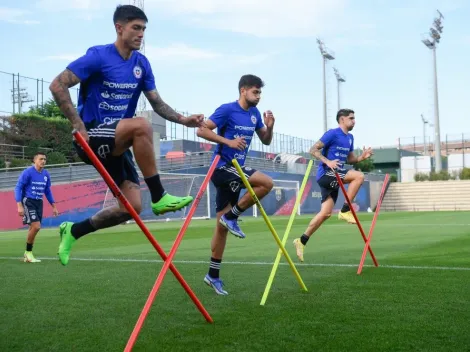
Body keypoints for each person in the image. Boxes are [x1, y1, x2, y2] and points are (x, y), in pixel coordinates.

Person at [49, 5, 204, 266]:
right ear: (119, 28)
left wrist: (182, 119)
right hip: (93, 136)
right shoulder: (98, 56)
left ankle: (73, 231)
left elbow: (157, 102)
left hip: (117, 141)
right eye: (136, 28)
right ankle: (159, 196)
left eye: (143, 29)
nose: (141, 34)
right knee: (141, 126)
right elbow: (57, 84)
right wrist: (78, 123)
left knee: (129, 208)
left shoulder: (141, 64)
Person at [196, 74, 275, 295]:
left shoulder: (255, 114)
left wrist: (270, 126)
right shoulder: (227, 109)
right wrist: (228, 141)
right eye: (255, 92)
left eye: (260, 92)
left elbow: (266, 140)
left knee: (221, 227)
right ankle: (233, 215)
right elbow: (202, 129)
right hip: (223, 168)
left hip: (236, 169)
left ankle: (212, 275)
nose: (259, 96)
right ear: (243, 90)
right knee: (266, 183)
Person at [293, 109, 373, 262]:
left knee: (325, 213)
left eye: (354, 118)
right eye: (351, 118)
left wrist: (362, 157)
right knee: (359, 176)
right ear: (342, 119)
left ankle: (301, 241)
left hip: (337, 175)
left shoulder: (350, 138)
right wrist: (328, 162)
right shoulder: (332, 133)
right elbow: (313, 150)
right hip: (326, 174)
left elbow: (350, 159)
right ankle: (345, 210)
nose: (354, 121)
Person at [14, 152, 59, 263]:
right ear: (35, 160)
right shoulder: (28, 172)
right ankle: (28, 253)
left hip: (39, 202)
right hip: (28, 201)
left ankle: (27, 254)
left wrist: (54, 206)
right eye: (40, 159)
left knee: (33, 228)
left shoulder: (46, 174)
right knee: (36, 226)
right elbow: (18, 187)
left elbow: (47, 190)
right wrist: (19, 205)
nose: (43, 161)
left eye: (44, 159)